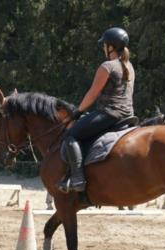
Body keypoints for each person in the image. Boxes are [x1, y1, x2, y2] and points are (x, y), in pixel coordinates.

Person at [58, 27, 135, 193]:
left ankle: (78, 179)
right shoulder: (129, 66)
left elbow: (92, 94)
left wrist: (77, 113)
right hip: (128, 115)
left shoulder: (108, 66)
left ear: (111, 47)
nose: (103, 48)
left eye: (104, 45)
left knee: (71, 134)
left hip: (109, 114)